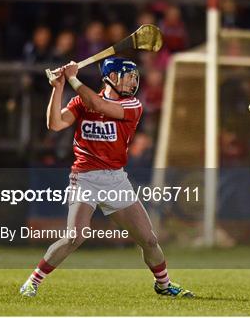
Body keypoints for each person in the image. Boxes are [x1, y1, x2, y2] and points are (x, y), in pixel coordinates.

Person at [19, 57, 193, 298]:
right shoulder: (81, 102)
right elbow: (55, 124)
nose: (133, 82)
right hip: (84, 179)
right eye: (127, 76)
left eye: (134, 77)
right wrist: (58, 87)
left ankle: (163, 285)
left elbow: (99, 106)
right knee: (74, 237)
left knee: (149, 239)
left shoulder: (133, 105)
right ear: (110, 78)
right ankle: (32, 282)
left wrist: (71, 78)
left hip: (115, 180)